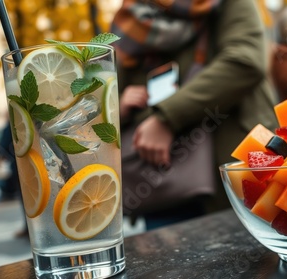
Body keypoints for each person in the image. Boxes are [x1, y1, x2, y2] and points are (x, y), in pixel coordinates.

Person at [110, 0, 278, 229]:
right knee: (167, 261)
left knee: (253, 259)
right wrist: (118, 105)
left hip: (231, 166)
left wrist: (166, 118)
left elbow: (244, 62)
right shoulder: (129, 18)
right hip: (160, 182)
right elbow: (106, 93)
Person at [0, 121, 28, 238]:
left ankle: (29, 227)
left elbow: (3, 148)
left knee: (26, 199)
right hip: (35, 165)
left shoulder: (10, 125)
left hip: (19, 167)